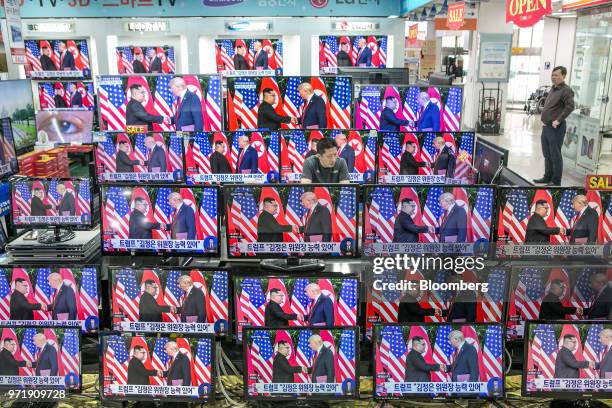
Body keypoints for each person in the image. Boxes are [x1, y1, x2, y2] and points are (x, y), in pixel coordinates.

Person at [533, 66, 575, 186]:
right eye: (552, 75)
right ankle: (547, 177)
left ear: (564, 76)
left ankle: (556, 181)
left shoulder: (566, 90)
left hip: (556, 127)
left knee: (555, 155)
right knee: (547, 154)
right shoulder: (553, 88)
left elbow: (570, 106)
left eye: (556, 75)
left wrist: (558, 120)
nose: (554, 77)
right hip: (546, 127)